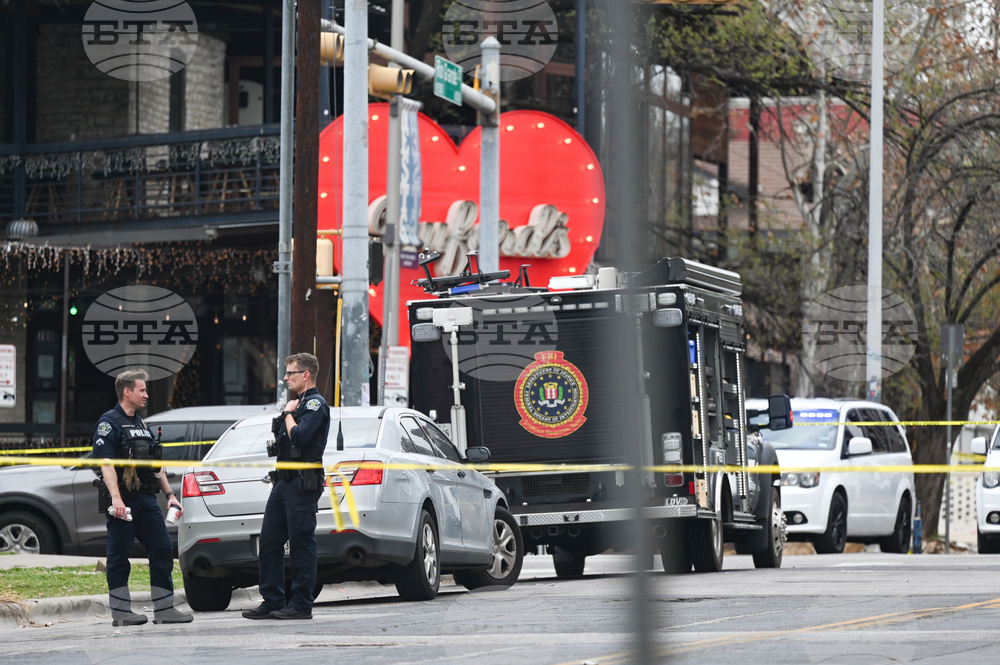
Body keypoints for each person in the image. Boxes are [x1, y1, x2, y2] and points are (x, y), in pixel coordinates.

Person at [93, 368, 193, 627]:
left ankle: (164, 610)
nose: (147, 395)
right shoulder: (109, 423)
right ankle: (121, 613)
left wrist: (170, 495)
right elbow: (106, 464)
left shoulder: (141, 424)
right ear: (127, 392)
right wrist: (116, 500)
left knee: (161, 549)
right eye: (142, 390)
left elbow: (155, 465)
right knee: (119, 556)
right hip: (123, 501)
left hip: (147, 500)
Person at [243, 353, 330, 620]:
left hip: (303, 484)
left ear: (305, 374)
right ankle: (272, 600)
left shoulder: (315, 404)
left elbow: (300, 437)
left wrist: (289, 414)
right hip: (282, 483)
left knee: (302, 543)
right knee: (269, 541)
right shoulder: (297, 403)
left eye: (290, 373)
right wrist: (289, 412)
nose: (285, 378)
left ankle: (301, 604)